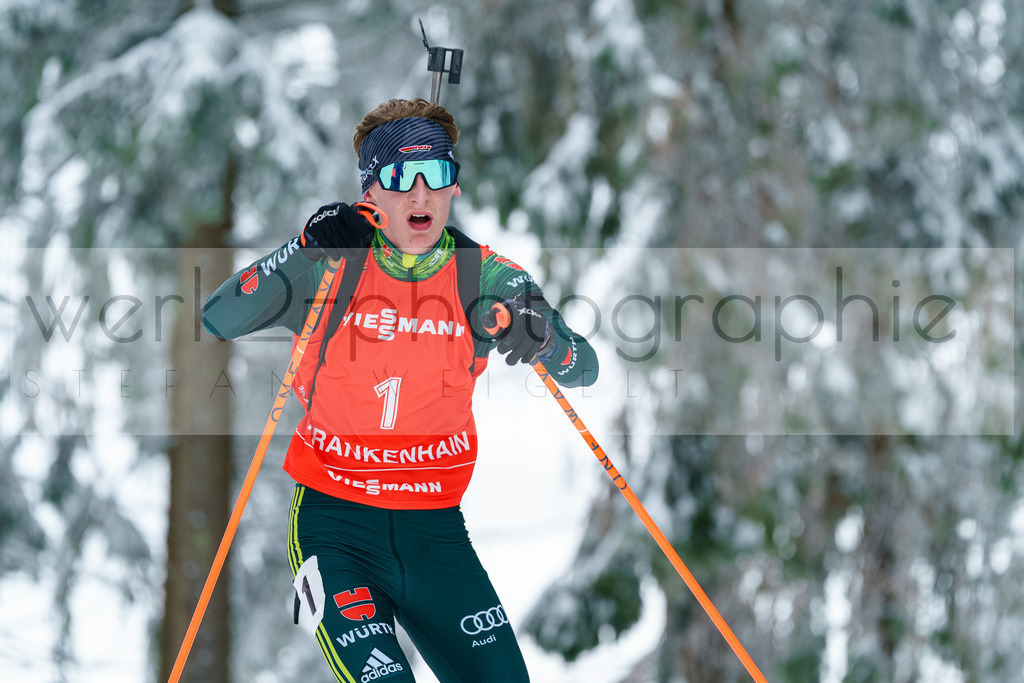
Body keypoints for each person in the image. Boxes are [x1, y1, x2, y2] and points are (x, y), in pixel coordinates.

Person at [203, 98, 598, 682]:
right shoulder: (334, 263)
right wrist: (304, 250)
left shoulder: (481, 274)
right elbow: (220, 316)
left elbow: (582, 366)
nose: (420, 195)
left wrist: (541, 337)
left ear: (454, 186)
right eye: (398, 177)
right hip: (335, 528)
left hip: (435, 535)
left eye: (436, 173)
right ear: (371, 193)